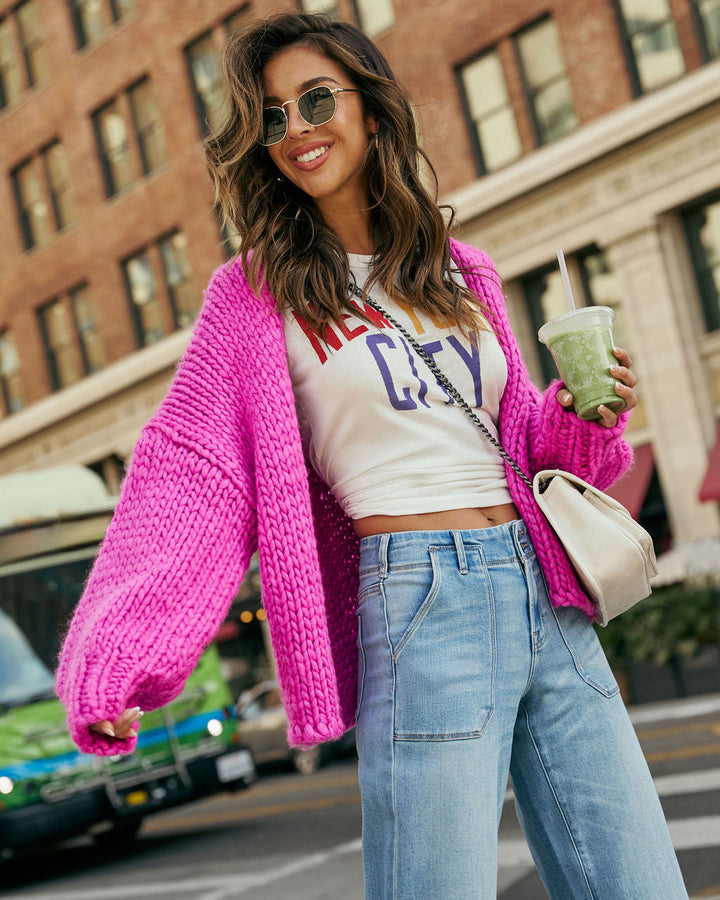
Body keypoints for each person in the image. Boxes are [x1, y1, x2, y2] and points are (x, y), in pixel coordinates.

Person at [56, 13, 688, 899]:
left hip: (550, 600)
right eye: (272, 116)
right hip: (424, 604)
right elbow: (191, 475)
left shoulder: (463, 271)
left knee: (639, 885)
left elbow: (522, 454)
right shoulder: (253, 295)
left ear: (372, 106)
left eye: (316, 100)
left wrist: (583, 413)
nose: (297, 128)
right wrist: (121, 658)